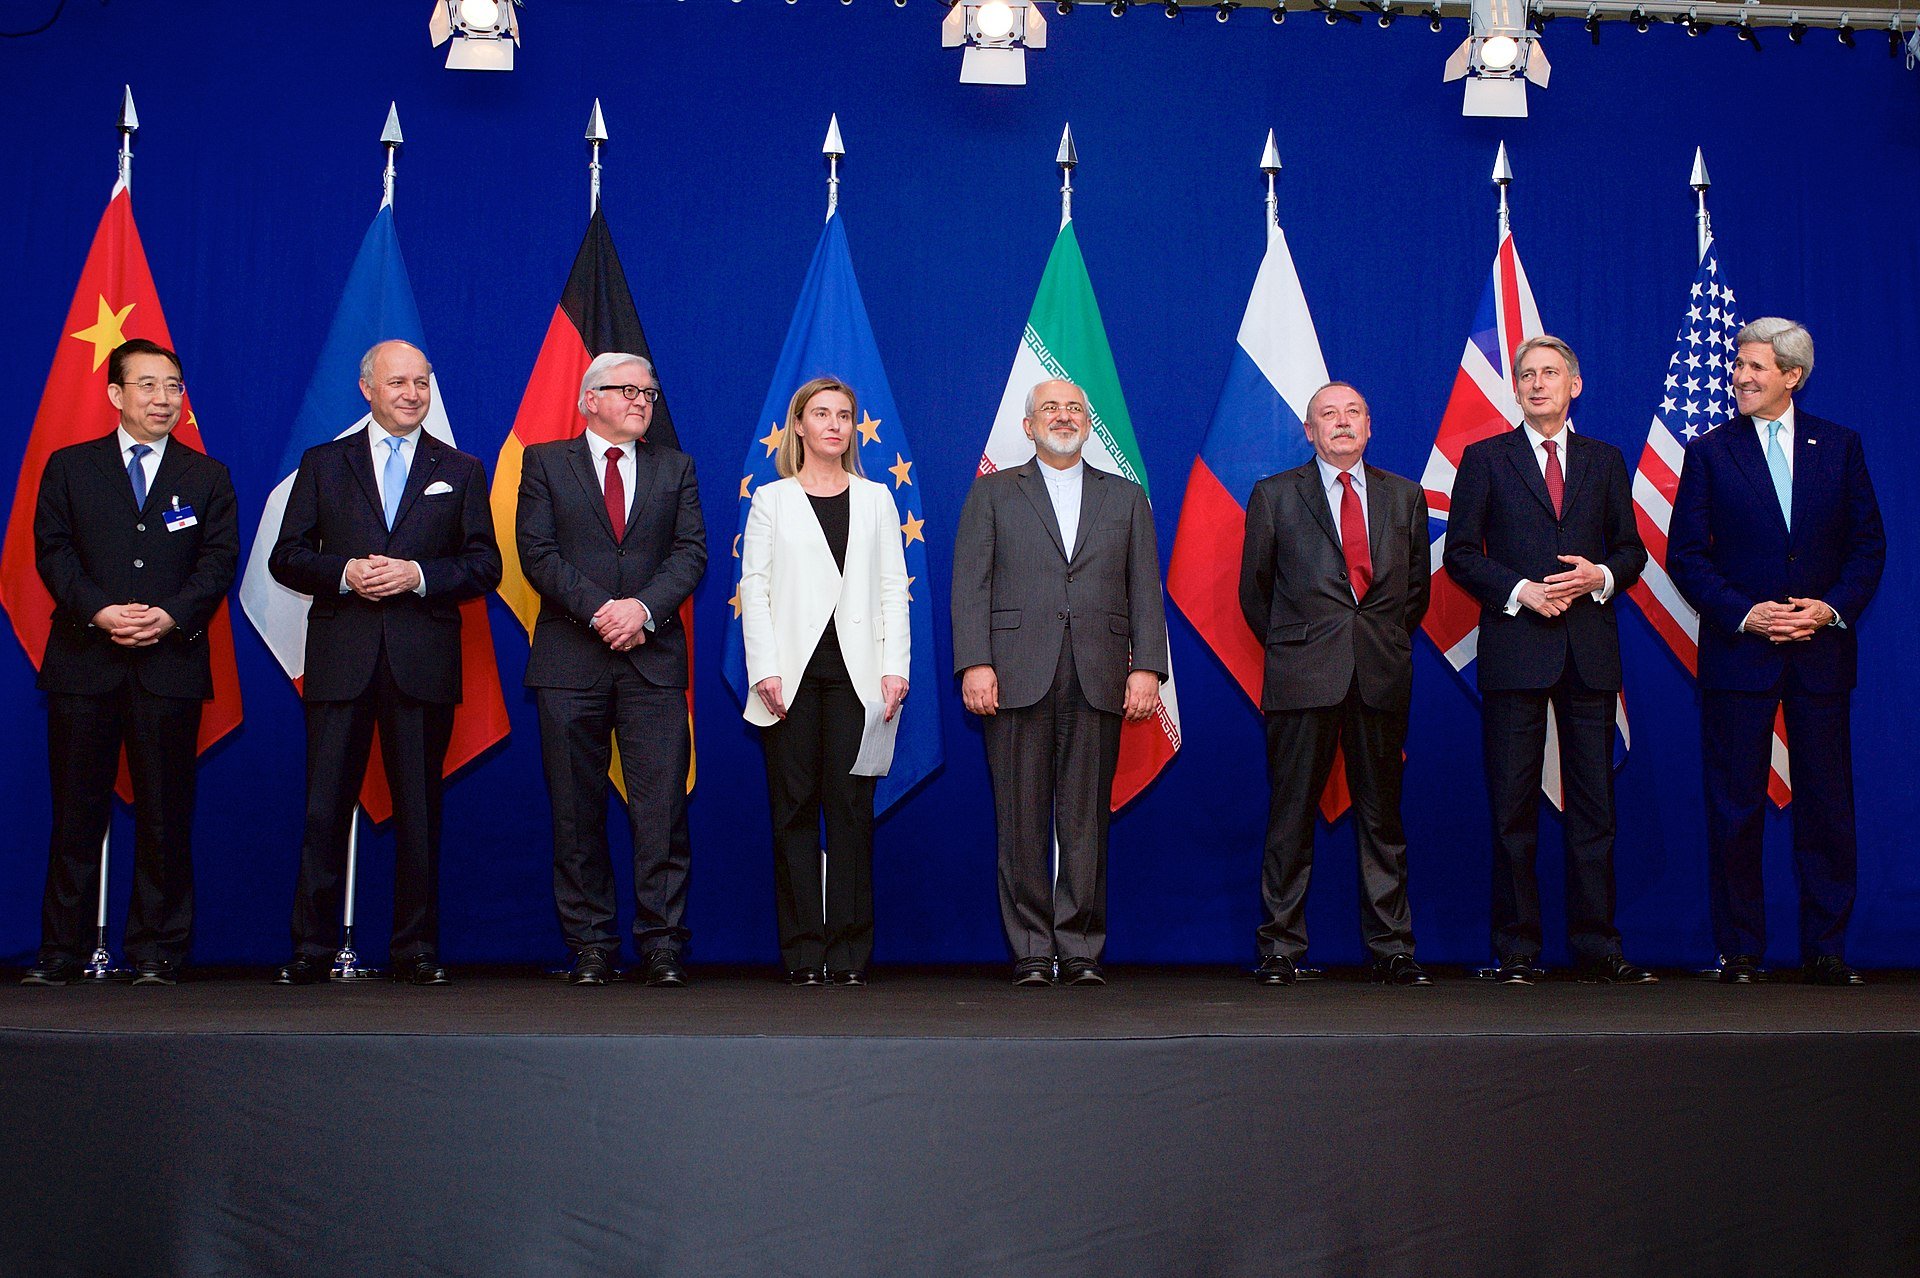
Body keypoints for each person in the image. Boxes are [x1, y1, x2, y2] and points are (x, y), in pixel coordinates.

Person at [269, 339, 501, 987]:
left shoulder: (460, 468)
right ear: (367, 388)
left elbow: (485, 565)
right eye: (398, 382)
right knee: (324, 810)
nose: (412, 393)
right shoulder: (324, 463)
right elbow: (286, 557)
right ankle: (311, 949)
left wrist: (418, 576)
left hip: (421, 662)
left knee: (420, 813)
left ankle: (415, 948)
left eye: (422, 382)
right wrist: (344, 572)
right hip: (341, 658)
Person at [1666, 318, 1885, 987]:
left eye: (1755, 367)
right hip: (1741, 655)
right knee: (1735, 807)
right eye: (1738, 365)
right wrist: (1746, 613)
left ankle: (1826, 950)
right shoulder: (1709, 452)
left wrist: (1829, 608)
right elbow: (1686, 556)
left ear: (1792, 375)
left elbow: (1867, 546)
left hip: (1820, 653)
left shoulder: (1839, 446)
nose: (1740, 376)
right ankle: (1739, 951)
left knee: (1827, 808)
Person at [23, 339, 238, 987]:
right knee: (75, 812)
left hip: (169, 664)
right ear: (116, 394)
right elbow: (52, 552)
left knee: (166, 814)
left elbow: (218, 563)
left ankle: (157, 951)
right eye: (148, 385)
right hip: (85, 661)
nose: (163, 399)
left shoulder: (207, 476)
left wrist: (170, 615)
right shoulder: (70, 467)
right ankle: (60, 952)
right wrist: (100, 611)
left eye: (173, 386)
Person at [1443, 335, 1652, 985]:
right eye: (1527, 374)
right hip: (1516, 651)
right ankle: (1516, 948)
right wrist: (1519, 591)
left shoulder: (1605, 460)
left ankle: (1598, 945)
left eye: (1550, 373)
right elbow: (1459, 553)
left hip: (1589, 652)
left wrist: (1599, 576)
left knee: (1596, 810)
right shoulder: (1485, 459)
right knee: (1513, 809)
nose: (1538, 384)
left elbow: (1631, 551)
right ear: (1515, 388)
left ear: (1574, 385)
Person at [951, 378, 1167, 987]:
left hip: (1101, 674)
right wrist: (975, 662)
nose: (1064, 416)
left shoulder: (1126, 496)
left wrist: (1146, 666)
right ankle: (1029, 949)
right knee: (1020, 818)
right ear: (1029, 426)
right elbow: (970, 583)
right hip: (1014, 673)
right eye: (1051, 408)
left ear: (1088, 423)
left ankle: (1079, 950)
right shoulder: (993, 492)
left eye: (1075, 407)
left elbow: (1144, 588)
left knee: (1086, 820)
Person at [517, 352, 706, 988]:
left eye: (648, 393)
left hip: (652, 664)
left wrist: (642, 609)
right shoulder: (545, 463)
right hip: (570, 662)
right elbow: (537, 554)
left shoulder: (675, 467)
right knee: (576, 814)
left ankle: (662, 945)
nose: (641, 402)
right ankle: (591, 944)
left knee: (662, 813)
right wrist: (604, 611)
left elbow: (691, 554)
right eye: (627, 391)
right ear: (589, 399)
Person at [1238, 382, 1432, 987]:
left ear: (1369, 426)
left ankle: (1393, 947)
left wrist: (1374, 642)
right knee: (1290, 817)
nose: (1342, 422)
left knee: (1382, 819)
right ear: (1309, 430)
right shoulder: (1274, 495)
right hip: (1302, 676)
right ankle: (1280, 947)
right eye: (1328, 414)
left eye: (1353, 413)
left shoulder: (1405, 496)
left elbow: (1415, 593)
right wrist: (1302, 645)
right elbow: (1255, 593)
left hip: (1380, 675)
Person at [738, 377, 910, 987]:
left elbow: (892, 586)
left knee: (851, 813)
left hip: (858, 680)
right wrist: (764, 668)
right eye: (821, 414)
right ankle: (804, 952)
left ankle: (849, 953)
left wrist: (896, 667)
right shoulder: (771, 500)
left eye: (843, 415)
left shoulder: (877, 499)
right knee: (792, 813)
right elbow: (754, 588)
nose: (834, 424)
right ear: (800, 425)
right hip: (788, 680)